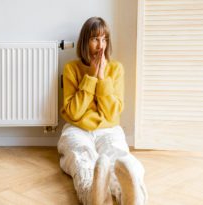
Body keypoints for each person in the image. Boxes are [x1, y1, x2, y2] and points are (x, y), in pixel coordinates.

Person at [57, 17, 148, 205]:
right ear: (85, 42)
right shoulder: (71, 69)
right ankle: (94, 197)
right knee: (81, 157)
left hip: (109, 128)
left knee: (118, 156)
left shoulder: (116, 69)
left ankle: (131, 196)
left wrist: (102, 78)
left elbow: (112, 113)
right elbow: (73, 113)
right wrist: (91, 77)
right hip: (77, 128)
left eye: (104, 39)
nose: (101, 45)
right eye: (95, 39)